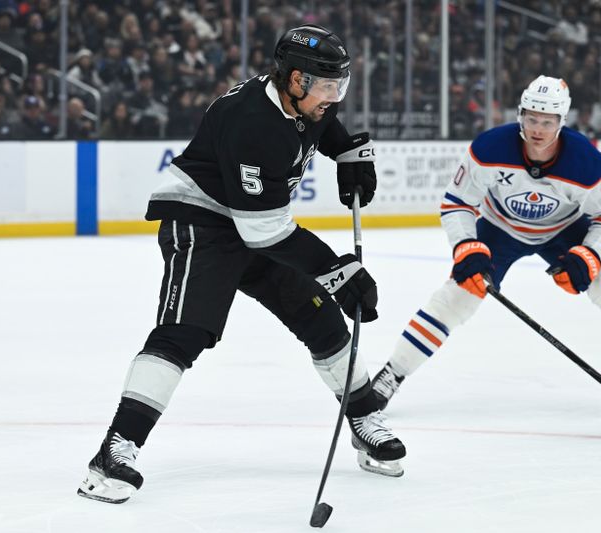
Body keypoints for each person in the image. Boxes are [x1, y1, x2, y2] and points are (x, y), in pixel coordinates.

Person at [77, 24, 405, 505]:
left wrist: (347, 151)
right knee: (185, 333)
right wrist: (337, 271)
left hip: (251, 221)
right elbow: (265, 232)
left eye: (341, 85)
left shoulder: (300, 98)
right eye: (328, 87)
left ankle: (362, 417)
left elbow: (319, 125)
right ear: (296, 80)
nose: (334, 98)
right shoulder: (251, 121)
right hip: (203, 223)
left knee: (321, 318)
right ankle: (113, 451)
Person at [371, 75, 601, 418]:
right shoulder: (489, 148)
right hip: (499, 229)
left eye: (547, 121)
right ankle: (392, 374)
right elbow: (457, 203)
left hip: (564, 229)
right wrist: (467, 246)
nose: (538, 128)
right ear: (520, 114)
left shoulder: (587, 161)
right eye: (531, 118)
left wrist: (590, 255)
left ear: (561, 122)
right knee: (457, 296)